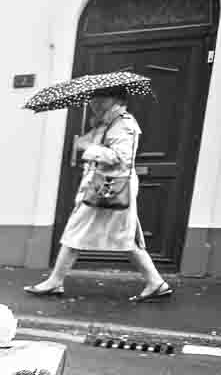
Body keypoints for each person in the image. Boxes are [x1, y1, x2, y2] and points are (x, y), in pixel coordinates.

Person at [25, 89, 173, 302]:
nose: (93, 103)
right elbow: (90, 143)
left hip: (110, 188)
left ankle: (55, 282)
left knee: (83, 232)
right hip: (101, 188)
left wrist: (91, 149)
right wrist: (89, 138)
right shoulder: (107, 123)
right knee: (119, 236)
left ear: (112, 100)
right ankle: (156, 282)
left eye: (98, 99)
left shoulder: (125, 124)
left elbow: (121, 158)